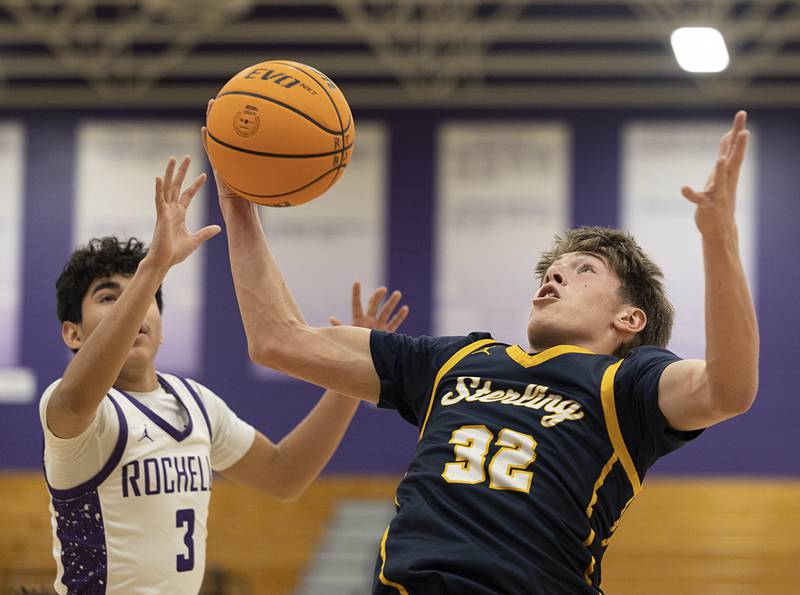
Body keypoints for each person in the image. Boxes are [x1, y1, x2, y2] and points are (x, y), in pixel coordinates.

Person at [205, 108, 758, 593]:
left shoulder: (628, 382)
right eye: (551, 271)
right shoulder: (458, 361)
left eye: (583, 270)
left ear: (629, 319)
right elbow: (278, 339)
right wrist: (236, 202)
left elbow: (728, 388)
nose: (555, 276)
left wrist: (718, 237)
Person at [39, 155, 409, 594]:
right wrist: (153, 267)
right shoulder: (73, 408)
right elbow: (77, 400)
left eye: (142, 298)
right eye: (107, 297)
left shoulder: (195, 403)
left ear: (161, 323)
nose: (130, 307)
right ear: (73, 333)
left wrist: (350, 379)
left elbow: (286, 474)